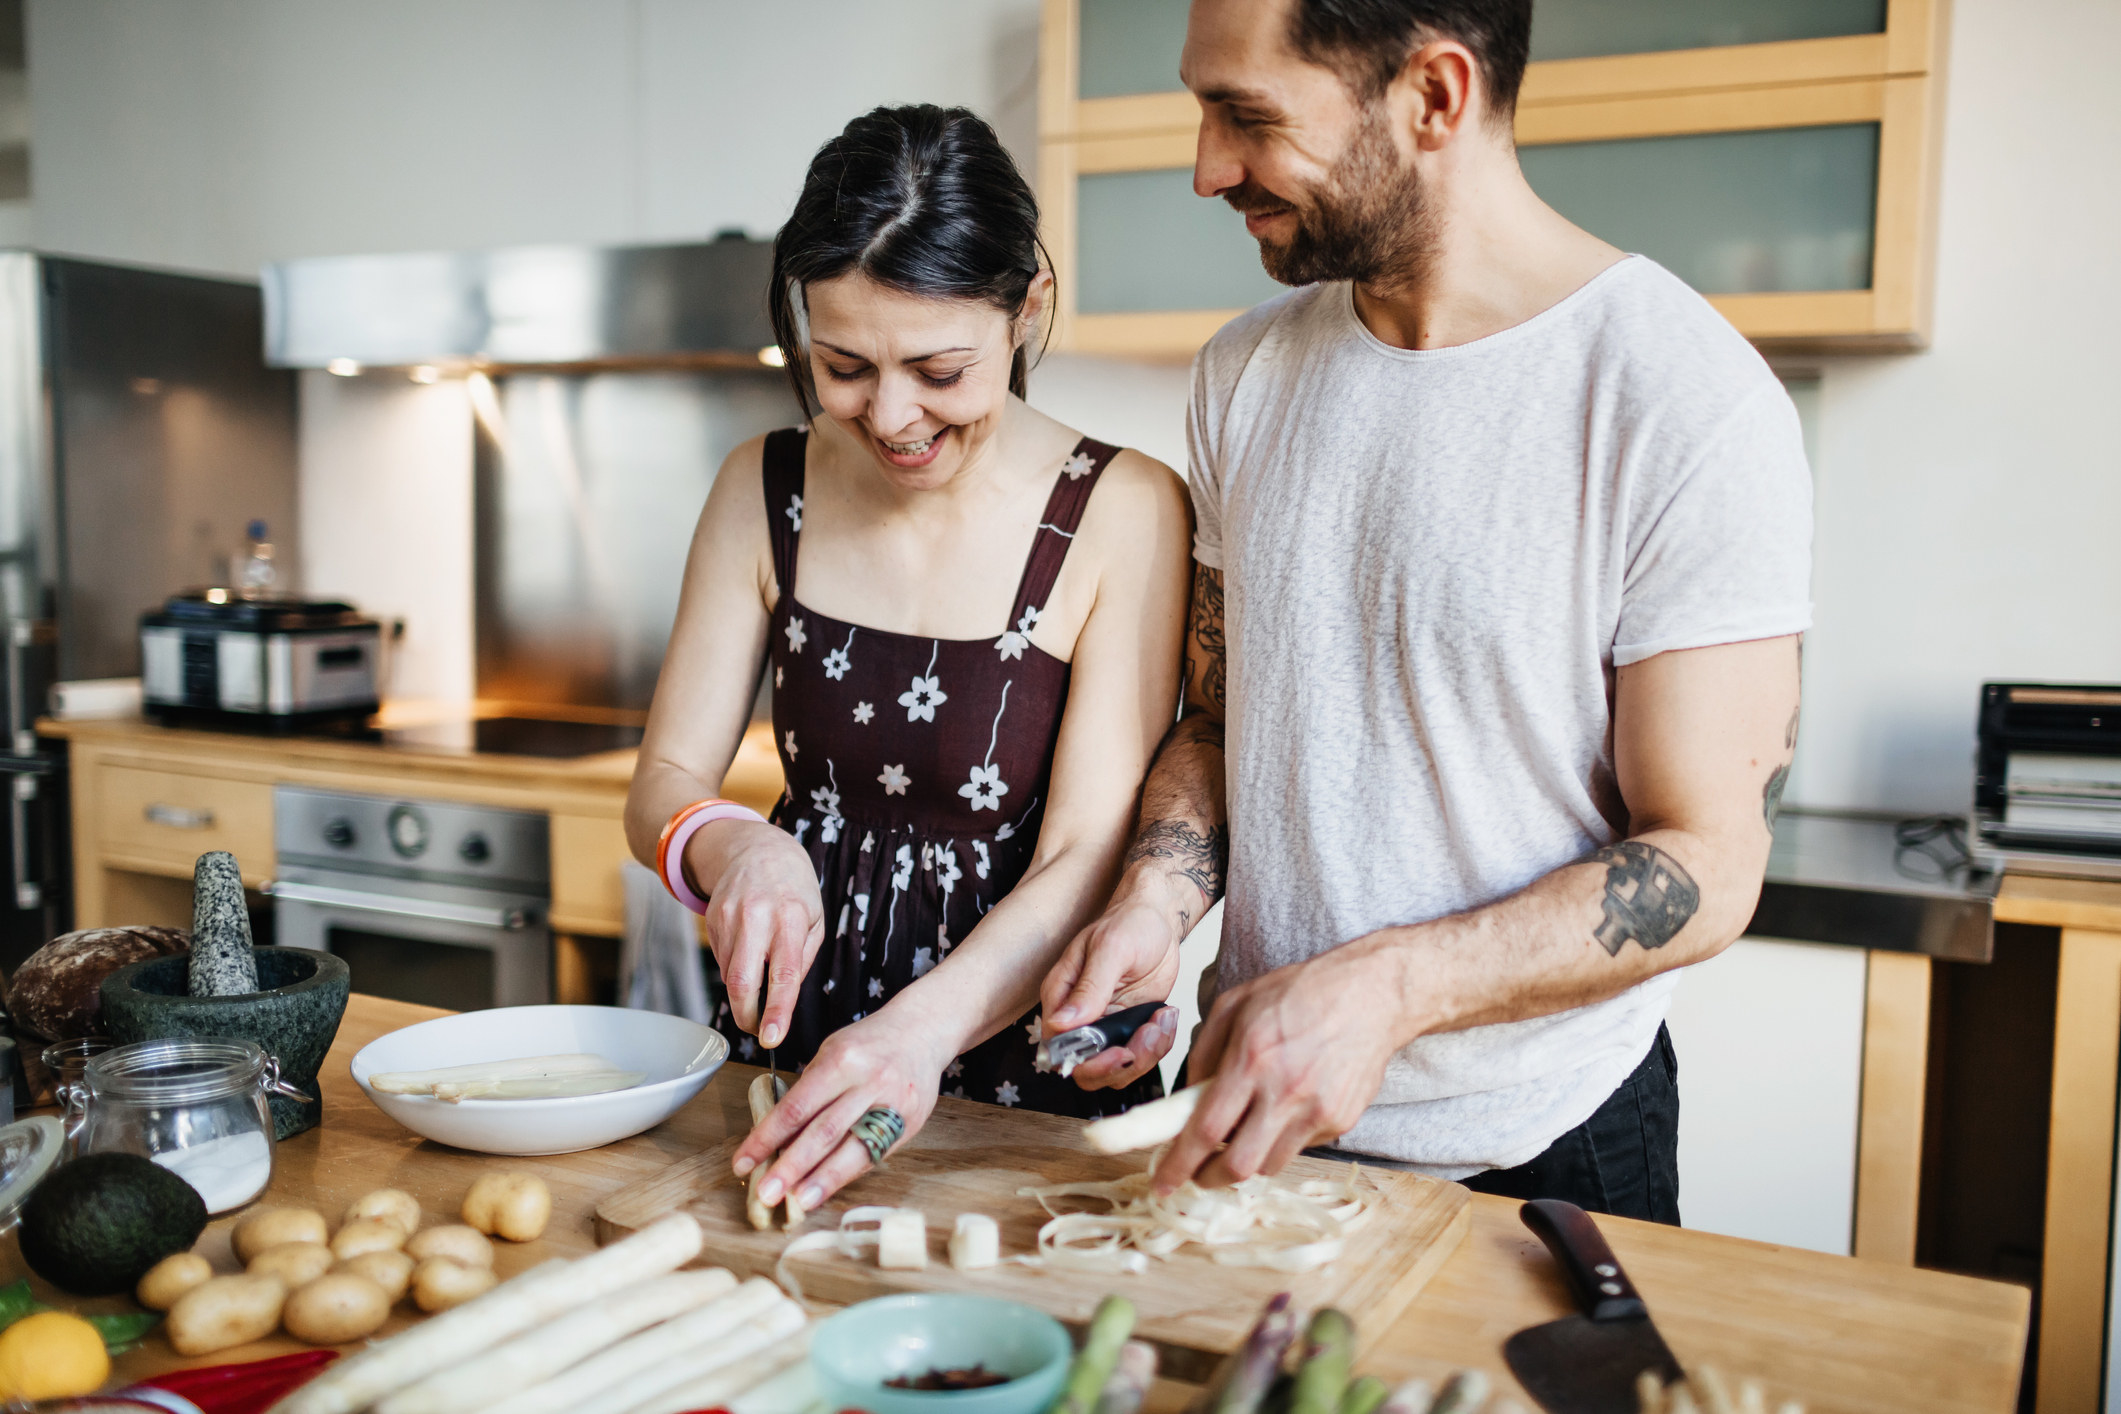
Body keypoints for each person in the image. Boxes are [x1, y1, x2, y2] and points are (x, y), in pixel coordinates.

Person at [1039, 0, 1812, 1223]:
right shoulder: (1244, 372)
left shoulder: (1679, 399)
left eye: (1248, 117)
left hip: (1545, 1149)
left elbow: (1709, 861)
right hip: (1260, 1111)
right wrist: (1155, 900)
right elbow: (1224, 719)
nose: (1206, 168)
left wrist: (1384, 991)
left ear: (1436, 98)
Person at [626, 105, 1190, 1213]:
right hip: (791, 1063)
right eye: (842, 365)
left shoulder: (1122, 508)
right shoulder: (762, 485)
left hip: (1025, 1070)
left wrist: (916, 1037)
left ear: (1026, 309)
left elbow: (1086, 849)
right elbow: (663, 784)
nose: (890, 417)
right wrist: (737, 849)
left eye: (939, 369)